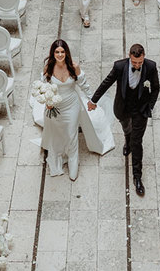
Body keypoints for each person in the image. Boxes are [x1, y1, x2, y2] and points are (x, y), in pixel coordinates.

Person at [88, 43, 160, 196]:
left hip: (141, 109)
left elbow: (156, 87)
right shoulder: (119, 66)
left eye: (140, 62)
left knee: (137, 142)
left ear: (144, 57)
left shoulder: (151, 67)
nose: (137, 65)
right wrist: (93, 101)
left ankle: (137, 177)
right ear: (129, 56)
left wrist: (150, 106)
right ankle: (127, 139)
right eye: (134, 62)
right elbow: (106, 83)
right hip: (123, 107)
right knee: (126, 127)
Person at [38, 40, 115, 180]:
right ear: (53, 53)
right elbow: (43, 87)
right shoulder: (48, 67)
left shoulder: (74, 67)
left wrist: (92, 100)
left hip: (71, 105)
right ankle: (59, 153)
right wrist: (47, 101)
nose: (60, 54)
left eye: (62, 51)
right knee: (57, 131)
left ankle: (74, 162)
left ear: (66, 52)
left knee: (71, 133)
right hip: (54, 106)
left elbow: (84, 85)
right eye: (57, 52)